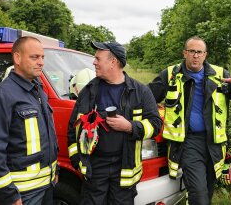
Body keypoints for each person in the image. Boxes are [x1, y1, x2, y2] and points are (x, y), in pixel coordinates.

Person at [148, 36, 231, 205]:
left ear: (205, 55)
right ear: (184, 53)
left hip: (214, 143)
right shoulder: (171, 74)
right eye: (192, 51)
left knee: (207, 191)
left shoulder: (220, 74)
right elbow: (148, 97)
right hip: (188, 142)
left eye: (199, 52)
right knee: (199, 193)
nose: (195, 56)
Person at [67, 41, 162, 205]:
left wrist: (130, 127)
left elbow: (155, 124)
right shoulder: (89, 91)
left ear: (113, 62)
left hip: (124, 170)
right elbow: (73, 128)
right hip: (95, 171)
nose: (94, 62)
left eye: (98, 58)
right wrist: (78, 161)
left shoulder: (140, 92)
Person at [0, 36, 59, 205]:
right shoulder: (1, 97)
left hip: (46, 186)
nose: (41, 62)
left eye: (42, 57)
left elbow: (47, 136)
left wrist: (55, 170)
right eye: (34, 57)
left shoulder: (37, 91)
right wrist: (9, 195)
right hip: (22, 194)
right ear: (17, 58)